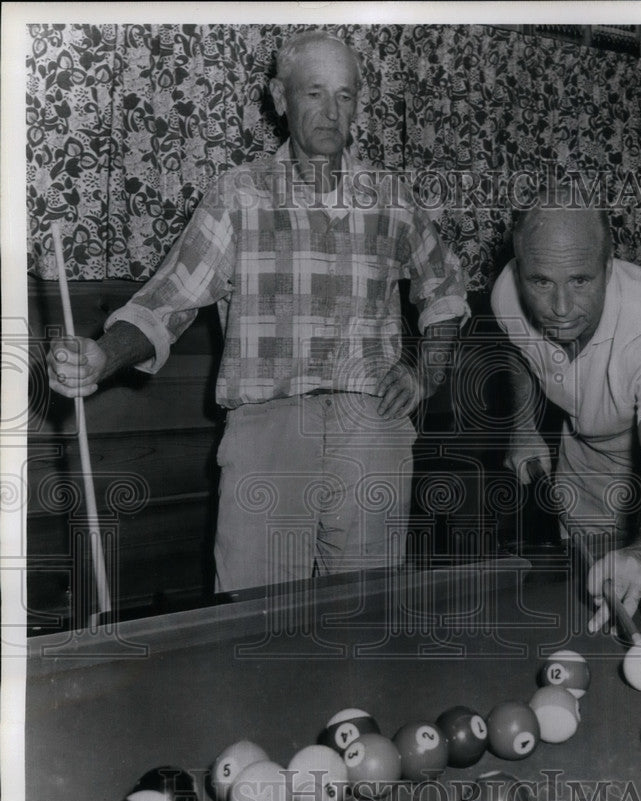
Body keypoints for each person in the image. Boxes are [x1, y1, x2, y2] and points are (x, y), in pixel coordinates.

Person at [47, 31, 468, 592]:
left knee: (369, 621)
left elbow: (444, 288)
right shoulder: (237, 195)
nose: (330, 111)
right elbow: (169, 299)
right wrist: (102, 356)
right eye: (314, 92)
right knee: (253, 620)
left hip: (372, 431)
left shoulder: (391, 197)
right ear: (279, 96)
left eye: (344, 95)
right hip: (267, 429)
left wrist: (427, 373)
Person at [491, 204, 641, 636]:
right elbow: (519, 350)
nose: (561, 307)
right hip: (589, 444)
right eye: (541, 281)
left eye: (581, 280)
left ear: (609, 266)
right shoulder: (506, 293)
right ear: (520, 271)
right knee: (593, 579)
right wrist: (522, 426)